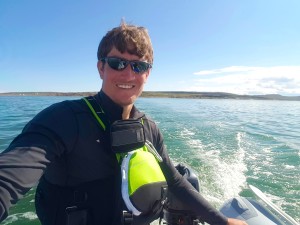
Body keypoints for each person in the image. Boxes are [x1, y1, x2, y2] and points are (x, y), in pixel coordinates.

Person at [0, 21, 247, 225]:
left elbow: (174, 181)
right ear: (100, 68)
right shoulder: (63, 119)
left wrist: (222, 221)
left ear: (147, 74)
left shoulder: (148, 128)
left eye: (138, 65)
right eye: (118, 63)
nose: (128, 74)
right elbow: (10, 174)